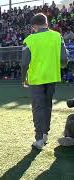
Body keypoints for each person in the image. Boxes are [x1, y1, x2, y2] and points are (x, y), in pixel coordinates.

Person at [22, 13, 68, 149]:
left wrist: (23, 78)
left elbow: (24, 63)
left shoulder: (29, 39)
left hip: (36, 78)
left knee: (38, 108)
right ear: (46, 23)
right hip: (52, 77)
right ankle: (45, 134)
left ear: (34, 26)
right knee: (47, 105)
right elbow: (64, 60)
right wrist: (60, 66)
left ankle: (39, 139)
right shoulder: (57, 36)